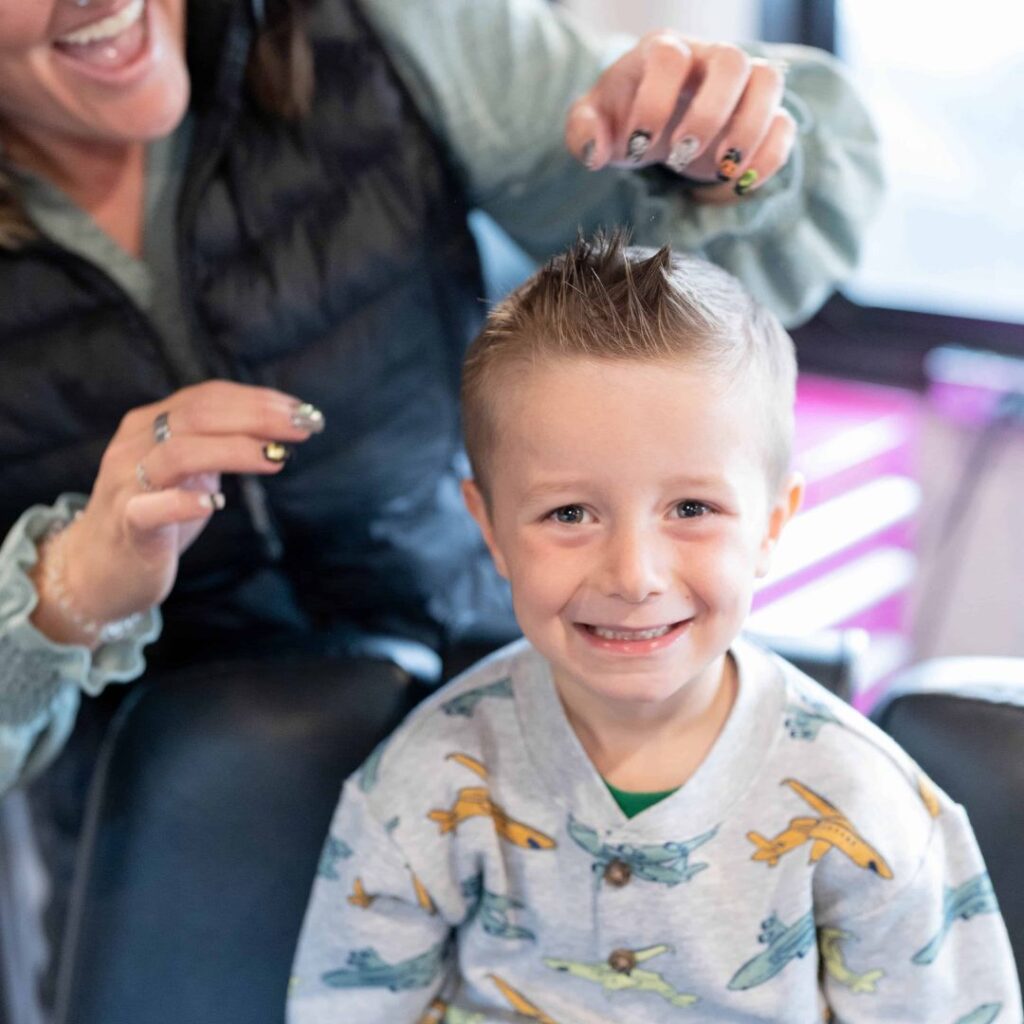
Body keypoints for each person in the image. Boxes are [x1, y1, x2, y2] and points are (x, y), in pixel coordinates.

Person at [0, 0, 881, 1013]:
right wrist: (62, 594)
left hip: (519, 741)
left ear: (776, 516)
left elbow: (688, 249)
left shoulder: (388, 23)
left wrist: (709, 150)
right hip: (173, 853)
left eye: (688, 510)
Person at [287, 235, 1021, 1023]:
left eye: (691, 510)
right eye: (570, 513)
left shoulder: (869, 808)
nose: (634, 575)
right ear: (492, 528)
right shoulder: (422, 780)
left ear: (772, 526)